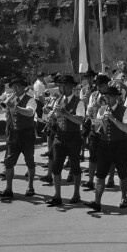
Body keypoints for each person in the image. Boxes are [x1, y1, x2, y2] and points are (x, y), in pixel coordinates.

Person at [84, 86, 127, 212]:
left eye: (110, 97)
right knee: (100, 175)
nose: (107, 99)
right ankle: (97, 202)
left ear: (116, 97)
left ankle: (124, 197)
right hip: (104, 145)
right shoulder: (102, 109)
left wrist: (113, 119)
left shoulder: (124, 110)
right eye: (106, 97)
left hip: (120, 145)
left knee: (123, 174)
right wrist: (95, 123)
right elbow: (97, 128)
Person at [46, 75, 85, 206]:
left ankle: (76, 194)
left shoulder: (78, 102)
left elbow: (80, 120)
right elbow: (56, 118)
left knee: (75, 167)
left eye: (65, 85)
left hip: (73, 136)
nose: (62, 87)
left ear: (71, 87)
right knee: (56, 167)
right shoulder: (58, 100)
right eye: (60, 85)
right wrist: (51, 116)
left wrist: (65, 113)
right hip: (60, 136)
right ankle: (57, 196)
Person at [0, 76, 37, 201]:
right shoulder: (10, 99)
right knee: (8, 161)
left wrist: (16, 107)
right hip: (13, 134)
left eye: (19, 86)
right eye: (14, 87)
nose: (16, 89)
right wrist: (0, 103)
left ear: (24, 88)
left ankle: (30, 186)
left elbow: (30, 112)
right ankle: (8, 189)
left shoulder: (31, 100)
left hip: (27, 134)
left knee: (29, 161)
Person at [82, 73, 110, 191]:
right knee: (92, 155)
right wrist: (88, 111)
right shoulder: (93, 94)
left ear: (106, 85)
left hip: (106, 128)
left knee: (107, 156)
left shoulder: (110, 95)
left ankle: (108, 178)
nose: (98, 87)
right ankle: (90, 181)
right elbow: (89, 108)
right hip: (94, 126)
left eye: (101, 85)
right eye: (97, 85)